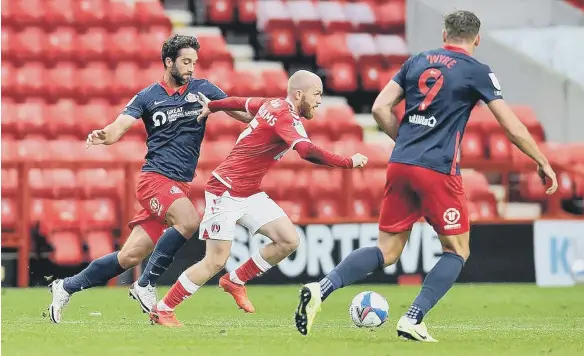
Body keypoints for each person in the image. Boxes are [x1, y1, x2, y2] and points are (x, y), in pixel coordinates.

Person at [294, 10, 558, 341]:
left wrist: (406, 142)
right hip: (437, 169)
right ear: (477, 39)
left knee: (387, 251)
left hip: (400, 162)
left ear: (444, 34)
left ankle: (322, 287)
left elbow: (379, 108)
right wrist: (541, 159)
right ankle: (413, 318)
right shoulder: (477, 70)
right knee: (457, 250)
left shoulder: (417, 60)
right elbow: (509, 123)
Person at [47, 34, 250, 323]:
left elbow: (241, 113)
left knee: (128, 257)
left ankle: (65, 286)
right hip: (155, 179)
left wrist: (268, 116)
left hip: (178, 184)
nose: (191, 68)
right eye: (185, 62)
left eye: (194, 62)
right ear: (169, 62)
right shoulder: (147, 97)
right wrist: (104, 134)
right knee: (189, 220)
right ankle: (145, 284)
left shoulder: (203, 89)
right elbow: (118, 128)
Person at [148, 70, 369, 327]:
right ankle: (163, 308)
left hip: (248, 191)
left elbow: (240, 102)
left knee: (288, 240)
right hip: (225, 191)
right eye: (316, 94)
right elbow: (307, 151)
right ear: (299, 94)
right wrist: (348, 162)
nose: (320, 100)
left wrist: (214, 106)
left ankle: (235, 279)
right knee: (215, 260)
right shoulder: (285, 116)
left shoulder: (272, 104)